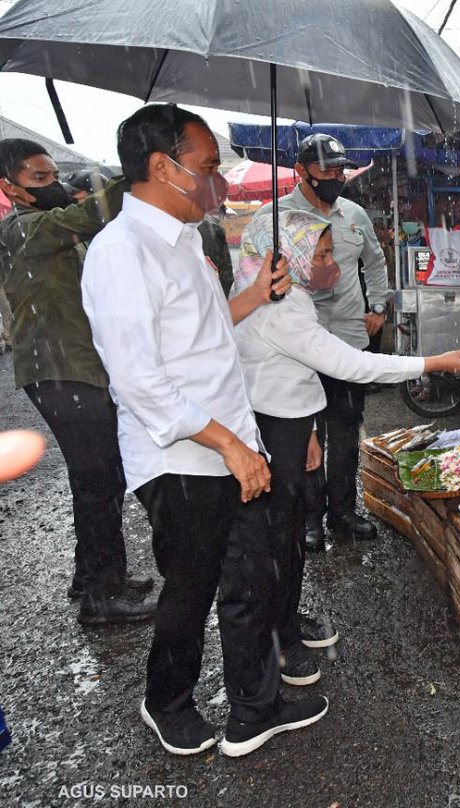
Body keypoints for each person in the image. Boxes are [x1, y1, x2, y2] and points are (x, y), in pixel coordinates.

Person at [81, 103, 326, 757]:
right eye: (208, 167)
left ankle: (255, 705)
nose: (217, 182)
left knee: (252, 576)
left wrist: (255, 296)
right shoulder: (121, 253)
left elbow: (204, 326)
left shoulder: (188, 238)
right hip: (181, 456)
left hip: (229, 444)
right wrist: (226, 442)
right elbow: (139, 379)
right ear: (162, 167)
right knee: (190, 589)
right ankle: (168, 701)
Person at [232, 208, 460, 687]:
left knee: (290, 533)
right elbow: (349, 364)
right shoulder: (279, 308)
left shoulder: (287, 298)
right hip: (274, 428)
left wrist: (313, 433)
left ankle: (287, 619)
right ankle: (277, 645)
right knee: (278, 540)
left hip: (291, 423)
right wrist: (435, 361)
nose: (333, 262)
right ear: (292, 258)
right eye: (321, 254)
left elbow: (292, 372)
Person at [0, 138, 156, 625]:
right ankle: (103, 598)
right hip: (59, 370)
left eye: (53, 176)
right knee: (99, 480)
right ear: (10, 188)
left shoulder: (47, 228)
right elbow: (84, 216)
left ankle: (92, 576)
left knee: (95, 478)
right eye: (38, 179)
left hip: (77, 366)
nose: (53, 187)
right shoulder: (21, 230)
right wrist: (137, 170)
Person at [256, 133, 389, 553]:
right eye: (327, 170)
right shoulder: (275, 218)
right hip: (298, 345)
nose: (337, 177)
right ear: (301, 171)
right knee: (305, 434)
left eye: (341, 170)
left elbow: (375, 260)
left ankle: (343, 512)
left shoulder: (354, 214)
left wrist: (379, 307)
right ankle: (309, 517)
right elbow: (255, 279)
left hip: (348, 335)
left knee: (346, 430)